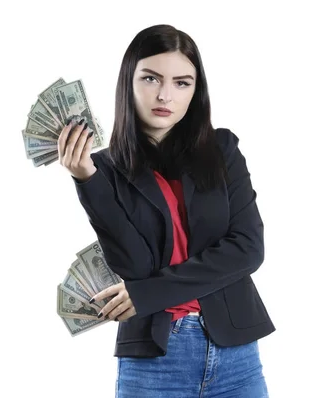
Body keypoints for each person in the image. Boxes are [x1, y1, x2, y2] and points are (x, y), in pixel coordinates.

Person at [57, 24, 275, 398]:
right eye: (151, 78)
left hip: (235, 353)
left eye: (181, 83)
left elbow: (248, 249)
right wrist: (87, 180)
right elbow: (135, 266)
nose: (164, 94)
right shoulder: (104, 170)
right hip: (154, 362)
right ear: (129, 81)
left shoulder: (222, 150)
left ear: (196, 91)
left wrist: (149, 293)